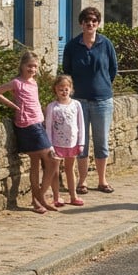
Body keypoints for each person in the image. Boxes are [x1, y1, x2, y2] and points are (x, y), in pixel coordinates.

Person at [0, 51, 56, 214]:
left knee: (36, 165)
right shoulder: (16, 83)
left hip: (38, 123)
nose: (32, 69)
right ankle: (41, 198)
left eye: (35, 66)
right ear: (22, 66)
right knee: (52, 160)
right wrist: (13, 106)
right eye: (29, 66)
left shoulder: (33, 83)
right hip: (27, 125)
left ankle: (36, 200)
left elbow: (35, 101)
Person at [62, 6, 118, 194]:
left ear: (98, 23)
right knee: (82, 142)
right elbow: (67, 72)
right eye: (87, 21)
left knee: (101, 142)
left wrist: (102, 85)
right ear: (81, 24)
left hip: (103, 100)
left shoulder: (106, 44)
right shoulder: (72, 46)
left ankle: (102, 180)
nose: (90, 24)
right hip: (79, 101)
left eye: (94, 21)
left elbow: (113, 70)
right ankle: (82, 182)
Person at [43, 74, 86, 207]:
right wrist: (50, 145)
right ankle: (57, 197)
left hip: (72, 143)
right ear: (55, 89)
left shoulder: (76, 104)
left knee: (70, 169)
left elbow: (81, 124)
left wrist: (81, 142)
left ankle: (73, 195)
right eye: (61, 89)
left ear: (71, 89)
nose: (64, 91)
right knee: (55, 170)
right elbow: (48, 127)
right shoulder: (52, 107)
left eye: (66, 88)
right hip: (56, 144)